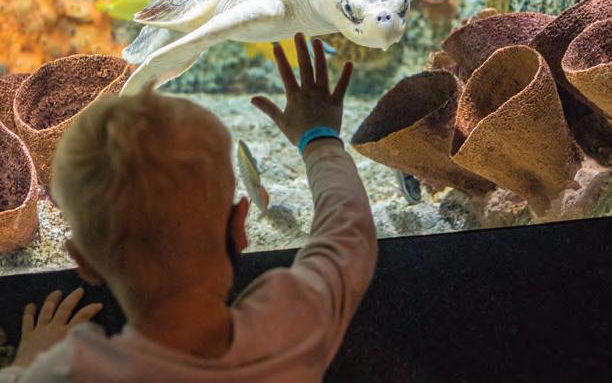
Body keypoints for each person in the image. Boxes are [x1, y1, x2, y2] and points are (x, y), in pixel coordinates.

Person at [1, 33, 377, 382]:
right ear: (240, 227)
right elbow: (349, 235)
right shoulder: (293, 326)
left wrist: (25, 362)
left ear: (82, 260)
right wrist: (319, 139)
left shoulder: (68, 371)